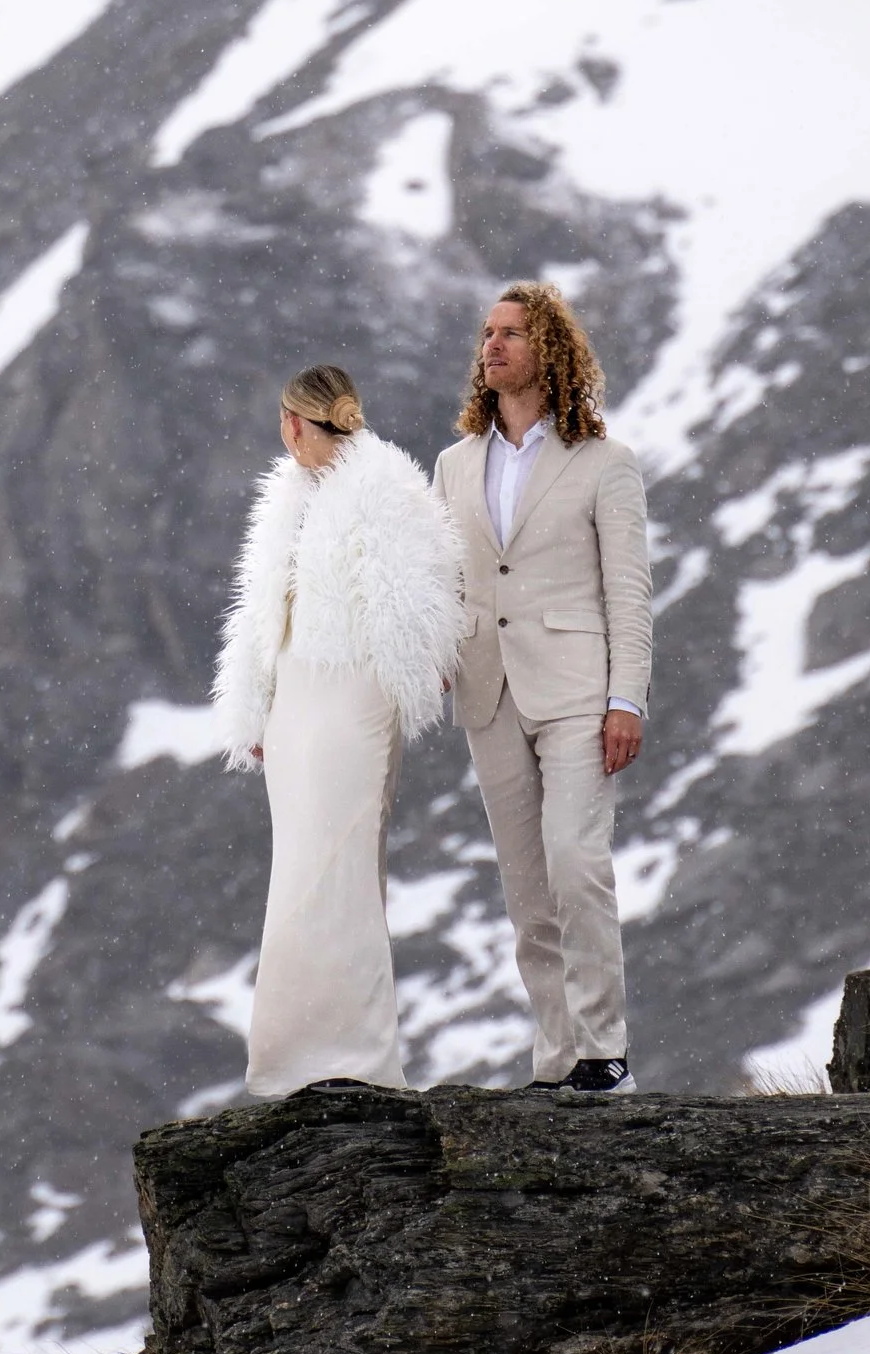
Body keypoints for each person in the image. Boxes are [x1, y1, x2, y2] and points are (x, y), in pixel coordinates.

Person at [213, 362, 464, 1099]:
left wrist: (420, 665)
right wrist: (255, 705)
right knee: (297, 872)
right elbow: (261, 616)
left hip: (354, 694)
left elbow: (424, 591)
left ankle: (355, 1055)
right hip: (295, 699)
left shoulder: (384, 487)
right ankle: (294, 1057)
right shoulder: (291, 495)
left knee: (344, 868)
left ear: (295, 422)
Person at [434, 282, 652, 1095]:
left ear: (550, 349)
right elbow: (447, 578)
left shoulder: (605, 464)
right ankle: (557, 1057)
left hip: (576, 693)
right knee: (527, 887)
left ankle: (606, 1049)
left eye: (512, 333)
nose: (492, 345)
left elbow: (628, 591)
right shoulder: (454, 464)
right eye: (487, 333)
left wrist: (625, 698)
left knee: (574, 860)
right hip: (487, 693)